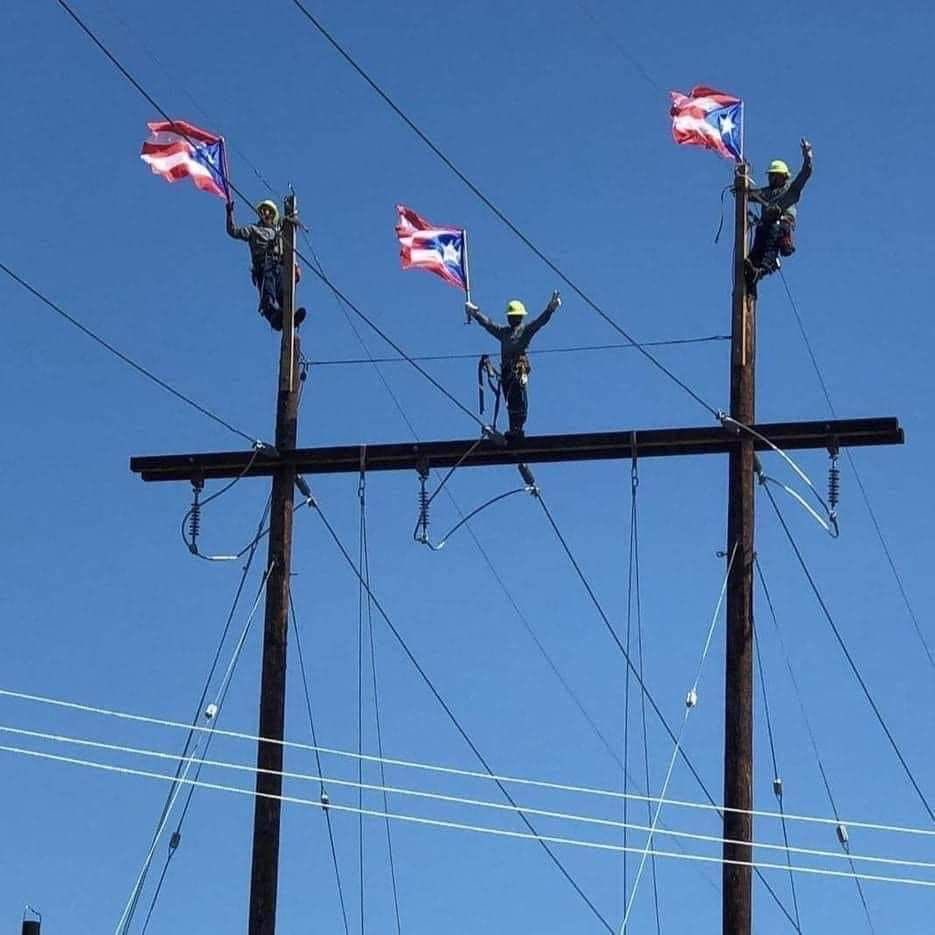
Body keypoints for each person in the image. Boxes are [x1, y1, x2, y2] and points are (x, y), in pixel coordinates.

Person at [465, 291, 561, 439]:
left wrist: (550, 310)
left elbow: (539, 323)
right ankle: (513, 429)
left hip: (517, 370)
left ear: (520, 317)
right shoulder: (504, 332)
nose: (512, 319)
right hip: (506, 373)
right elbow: (488, 324)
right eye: (511, 317)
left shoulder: (525, 331)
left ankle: (517, 428)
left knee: (518, 399)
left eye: (514, 316)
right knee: (510, 401)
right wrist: (475, 313)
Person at [745, 138, 813, 294]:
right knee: (755, 253)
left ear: (782, 176)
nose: (771, 179)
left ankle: (761, 270)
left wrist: (808, 157)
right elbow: (749, 194)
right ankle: (751, 276)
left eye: (774, 176)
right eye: (770, 176)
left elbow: (805, 174)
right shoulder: (767, 192)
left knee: (769, 248)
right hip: (764, 227)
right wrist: (740, 186)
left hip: (780, 226)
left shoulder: (790, 191)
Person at [226, 199, 306, 330]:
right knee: (268, 293)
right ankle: (274, 316)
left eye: (267, 210)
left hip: (280, 265)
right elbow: (233, 231)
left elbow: (288, 250)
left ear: (272, 215)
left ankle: (291, 317)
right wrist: (230, 213)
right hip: (264, 266)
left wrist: (296, 266)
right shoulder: (253, 230)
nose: (264, 212)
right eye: (262, 210)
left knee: (284, 292)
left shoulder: (279, 233)